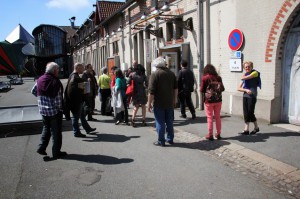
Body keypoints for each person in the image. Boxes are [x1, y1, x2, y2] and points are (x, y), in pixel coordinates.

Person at [36, 62, 67, 159]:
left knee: (46, 128)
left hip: (43, 110)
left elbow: (34, 90)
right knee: (56, 133)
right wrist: (60, 109)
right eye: (58, 70)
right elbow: (58, 100)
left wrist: (42, 100)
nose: (58, 71)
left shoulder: (40, 79)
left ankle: (41, 147)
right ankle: (56, 152)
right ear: (54, 71)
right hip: (54, 112)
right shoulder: (55, 82)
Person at [147, 57, 178, 146]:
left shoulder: (155, 74)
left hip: (159, 102)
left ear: (156, 65)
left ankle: (161, 140)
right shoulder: (171, 73)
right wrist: (175, 99)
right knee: (169, 121)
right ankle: (170, 139)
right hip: (169, 102)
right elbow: (176, 88)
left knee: (160, 122)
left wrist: (149, 104)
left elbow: (151, 92)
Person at [64, 63, 96, 138]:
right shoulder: (75, 77)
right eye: (81, 68)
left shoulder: (74, 76)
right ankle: (76, 132)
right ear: (78, 68)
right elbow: (73, 91)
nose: (83, 69)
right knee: (76, 117)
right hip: (76, 102)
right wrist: (84, 89)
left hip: (77, 101)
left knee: (82, 116)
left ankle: (88, 129)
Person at [200, 64, 225, 141]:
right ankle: (218, 134)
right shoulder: (218, 78)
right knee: (217, 117)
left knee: (210, 117)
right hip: (218, 100)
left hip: (209, 100)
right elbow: (223, 89)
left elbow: (202, 90)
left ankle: (210, 134)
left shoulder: (205, 78)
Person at [238, 61, 261, 135]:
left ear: (251, 67)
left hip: (252, 96)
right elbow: (238, 88)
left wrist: (244, 77)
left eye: (248, 66)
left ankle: (256, 127)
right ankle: (246, 129)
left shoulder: (255, 73)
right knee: (246, 113)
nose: (247, 68)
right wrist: (246, 90)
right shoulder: (245, 75)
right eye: (246, 67)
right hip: (245, 96)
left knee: (250, 113)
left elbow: (245, 77)